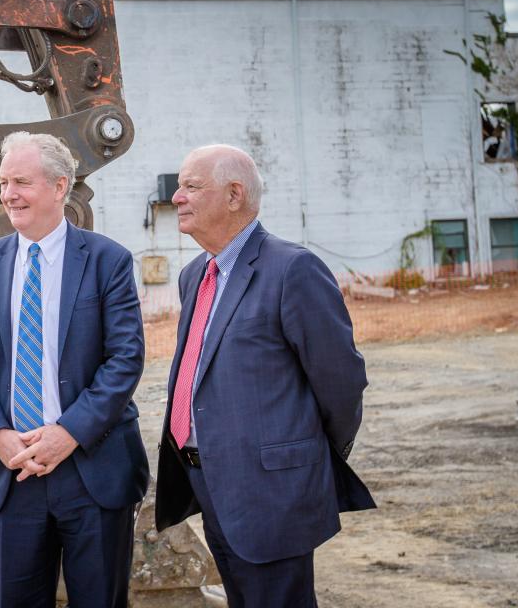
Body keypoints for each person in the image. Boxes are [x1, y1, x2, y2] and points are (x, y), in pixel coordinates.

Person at [154, 145, 375, 608]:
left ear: (234, 195)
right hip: (206, 477)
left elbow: (341, 380)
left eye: (191, 186)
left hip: (271, 489)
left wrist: (303, 455)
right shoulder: (196, 274)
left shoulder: (292, 268)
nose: (177, 197)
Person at [0, 131, 149, 607]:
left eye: (21, 181)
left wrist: (68, 432)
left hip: (92, 471)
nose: (8, 194)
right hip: (14, 473)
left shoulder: (108, 261)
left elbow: (125, 359)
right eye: (3, 182)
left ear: (60, 187)